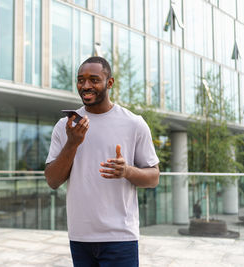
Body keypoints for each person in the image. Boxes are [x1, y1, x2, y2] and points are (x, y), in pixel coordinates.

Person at [44, 56, 160, 267]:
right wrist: (72, 143)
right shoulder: (65, 126)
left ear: (109, 83)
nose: (86, 86)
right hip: (80, 236)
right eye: (81, 80)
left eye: (94, 80)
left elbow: (153, 178)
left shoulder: (134, 124)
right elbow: (52, 180)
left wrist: (127, 171)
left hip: (120, 237)